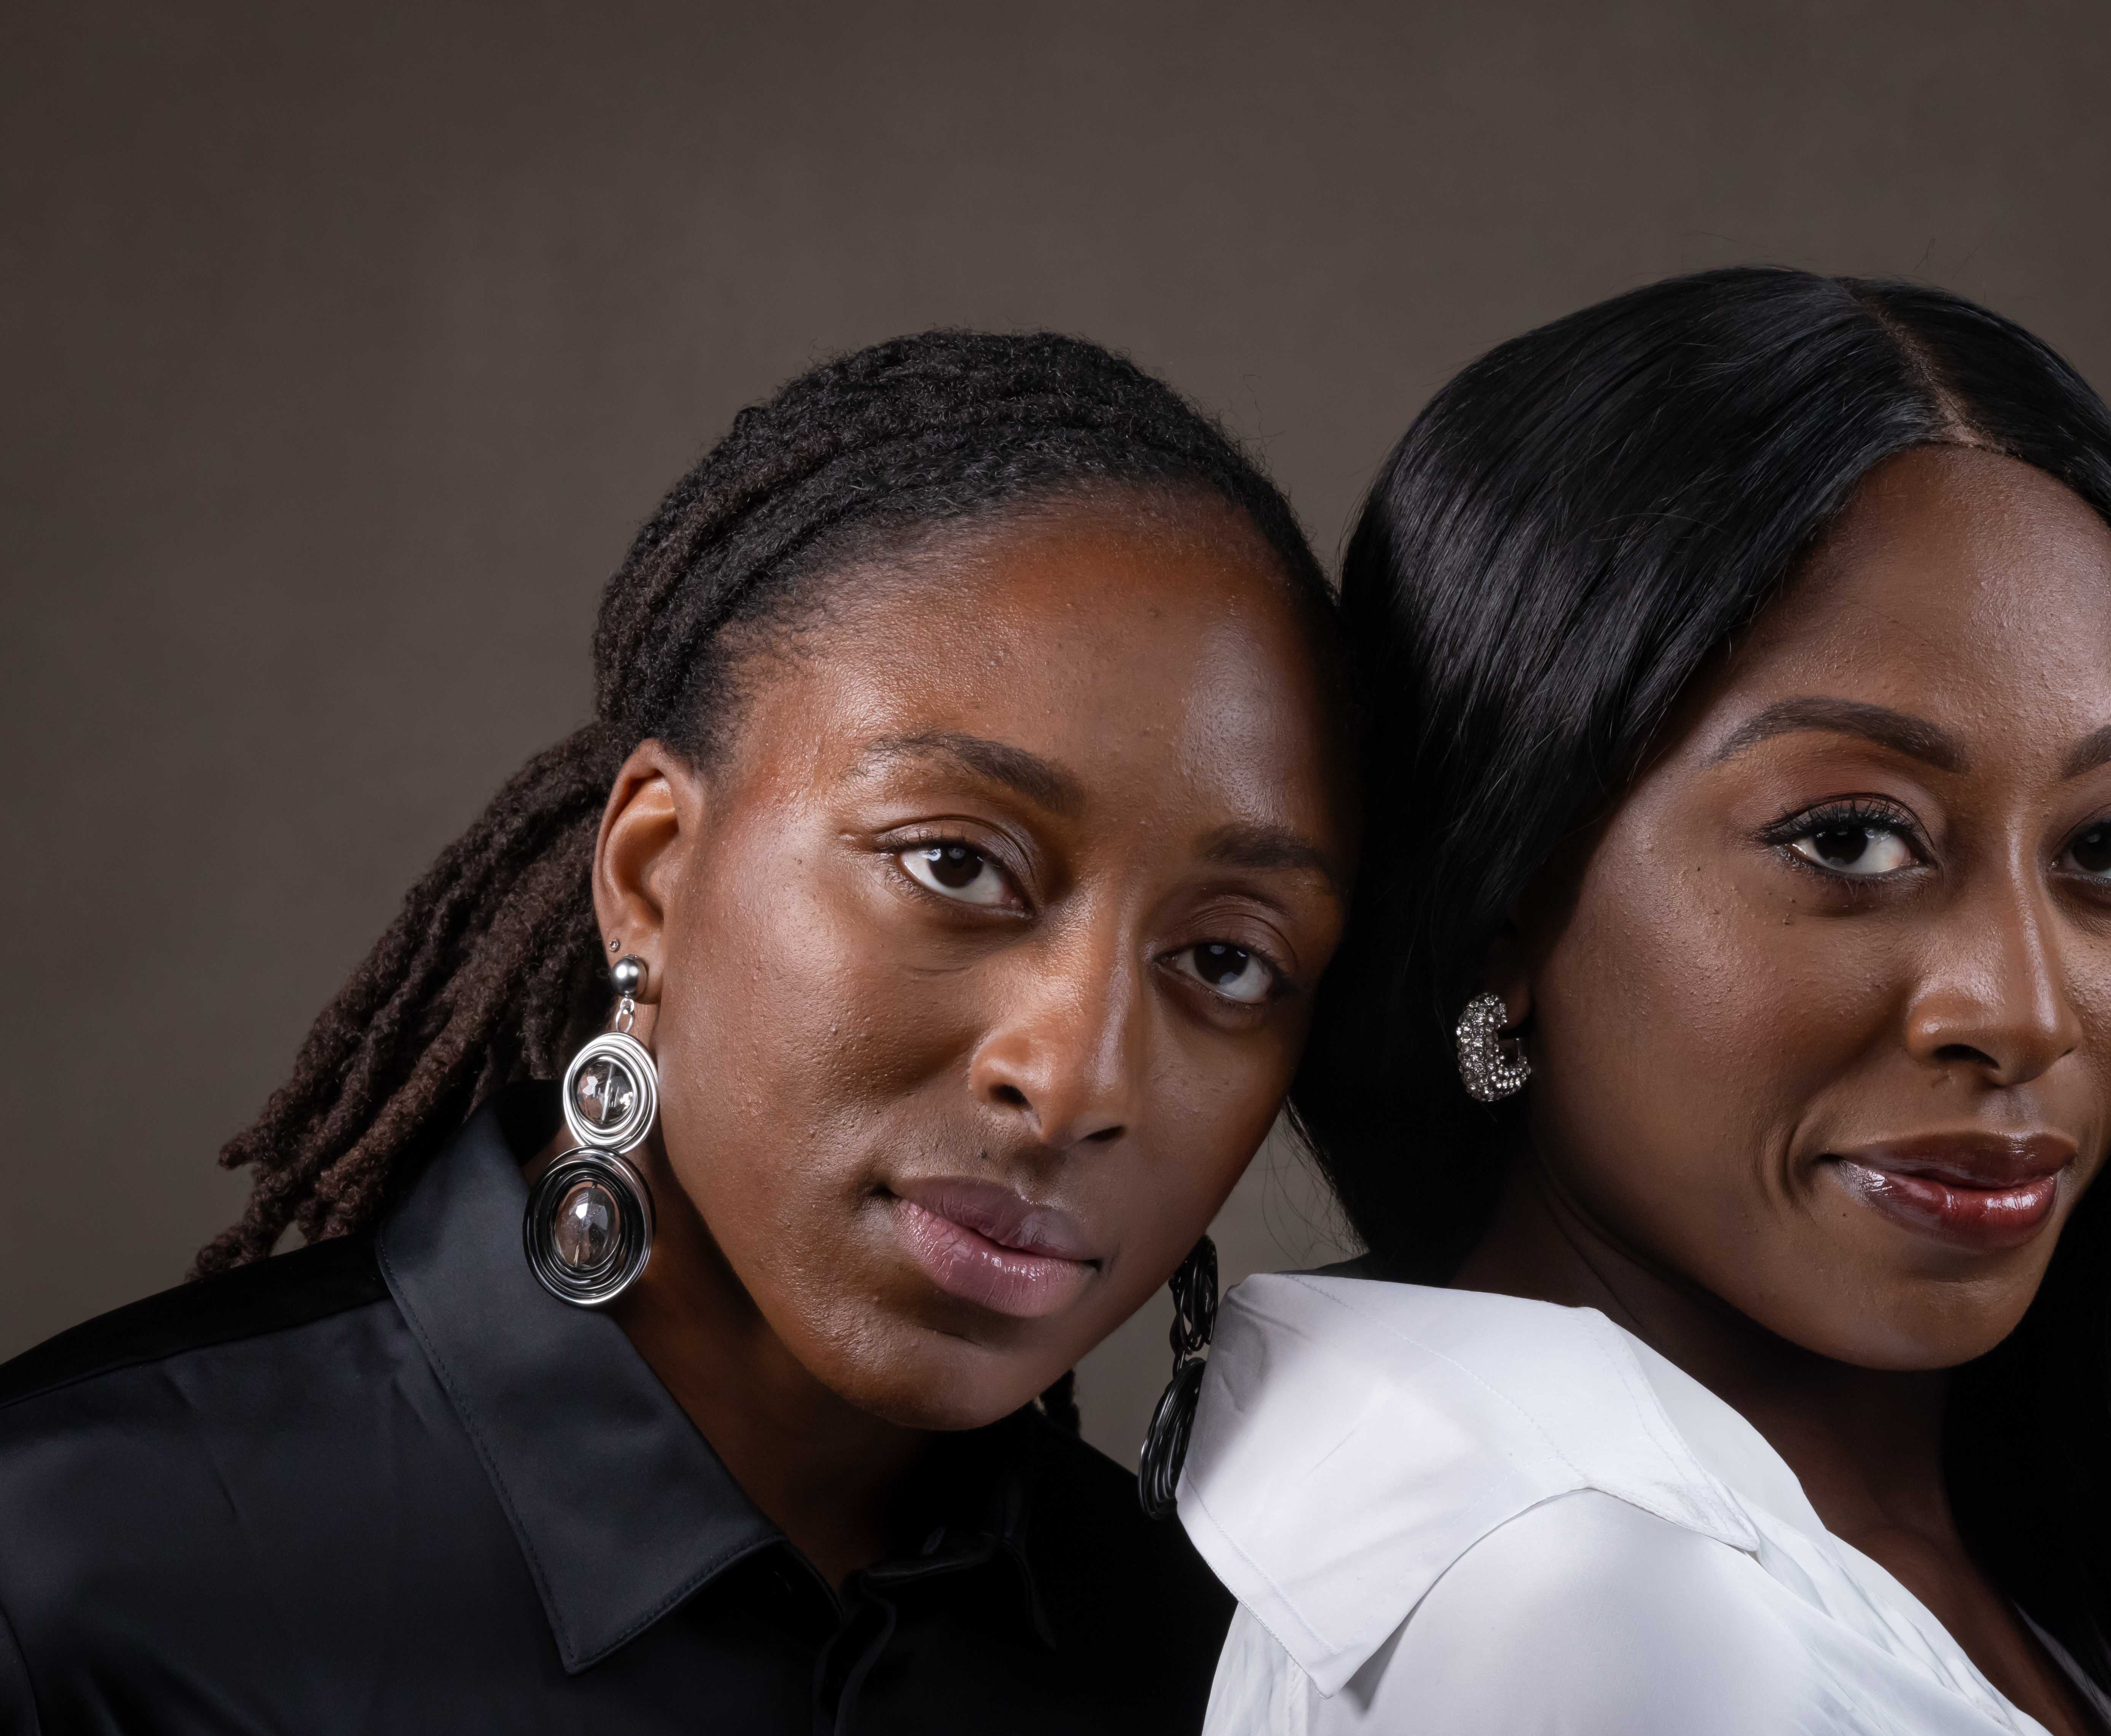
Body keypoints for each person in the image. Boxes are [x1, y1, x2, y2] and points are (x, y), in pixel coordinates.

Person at [0, 331, 1358, 1734]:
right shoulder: (73, 1567)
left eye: (1223, 959)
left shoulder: (1232, 1672)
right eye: (954, 864)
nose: (1075, 1078)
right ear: (653, 869)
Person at [1171, 271, 2111, 1736]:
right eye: (1850, 838)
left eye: (2109, 846)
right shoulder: (1595, 1608)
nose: (2026, 1010)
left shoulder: (2030, 1531)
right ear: (1495, 909)